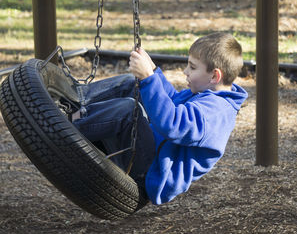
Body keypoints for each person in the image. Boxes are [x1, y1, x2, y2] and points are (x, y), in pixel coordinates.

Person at [72, 32, 248, 205]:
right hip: (149, 153)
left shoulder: (215, 113)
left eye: (192, 67)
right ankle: (72, 98)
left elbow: (173, 124)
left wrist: (148, 78)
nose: (185, 72)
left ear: (215, 76)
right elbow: (170, 101)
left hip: (149, 174)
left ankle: (67, 127)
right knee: (132, 84)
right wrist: (154, 72)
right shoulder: (206, 94)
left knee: (128, 111)